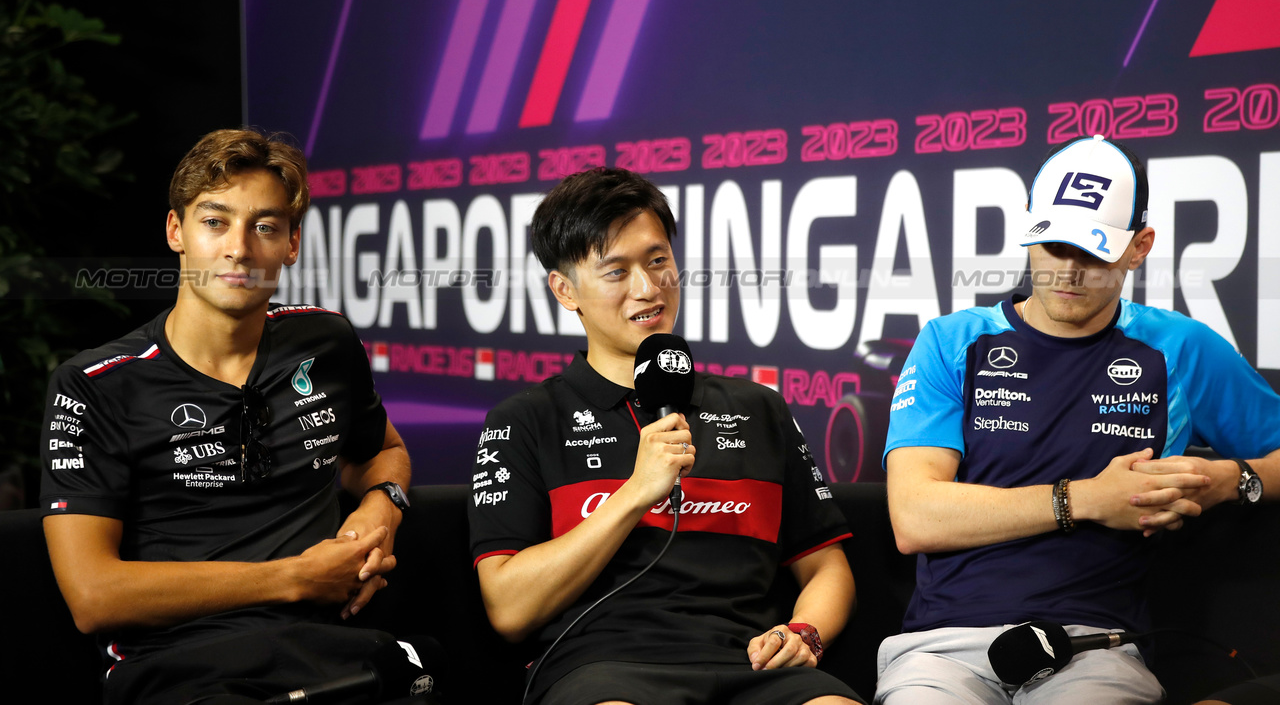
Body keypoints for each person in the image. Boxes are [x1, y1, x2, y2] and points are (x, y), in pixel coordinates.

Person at [876, 134, 1280, 704]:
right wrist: (1087, 499)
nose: (1067, 272)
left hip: (1097, 648)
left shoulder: (1179, 348)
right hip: (941, 648)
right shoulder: (952, 341)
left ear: (1140, 247)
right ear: (1027, 227)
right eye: (1052, 246)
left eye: (1093, 253)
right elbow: (915, 517)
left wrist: (1231, 480)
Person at [40, 129, 415, 705]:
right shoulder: (98, 385)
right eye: (215, 222)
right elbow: (93, 596)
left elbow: (382, 452)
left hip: (333, 652)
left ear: (292, 244)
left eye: (265, 226)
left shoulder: (326, 340)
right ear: (176, 232)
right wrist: (295, 578)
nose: (239, 248)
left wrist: (381, 508)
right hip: (179, 668)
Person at [467, 167, 864, 705]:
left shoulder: (758, 406)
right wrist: (634, 492)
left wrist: (804, 634)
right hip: (603, 668)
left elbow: (826, 567)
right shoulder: (526, 419)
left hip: (753, 664)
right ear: (565, 290)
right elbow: (510, 610)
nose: (648, 289)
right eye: (616, 272)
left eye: (658, 261)